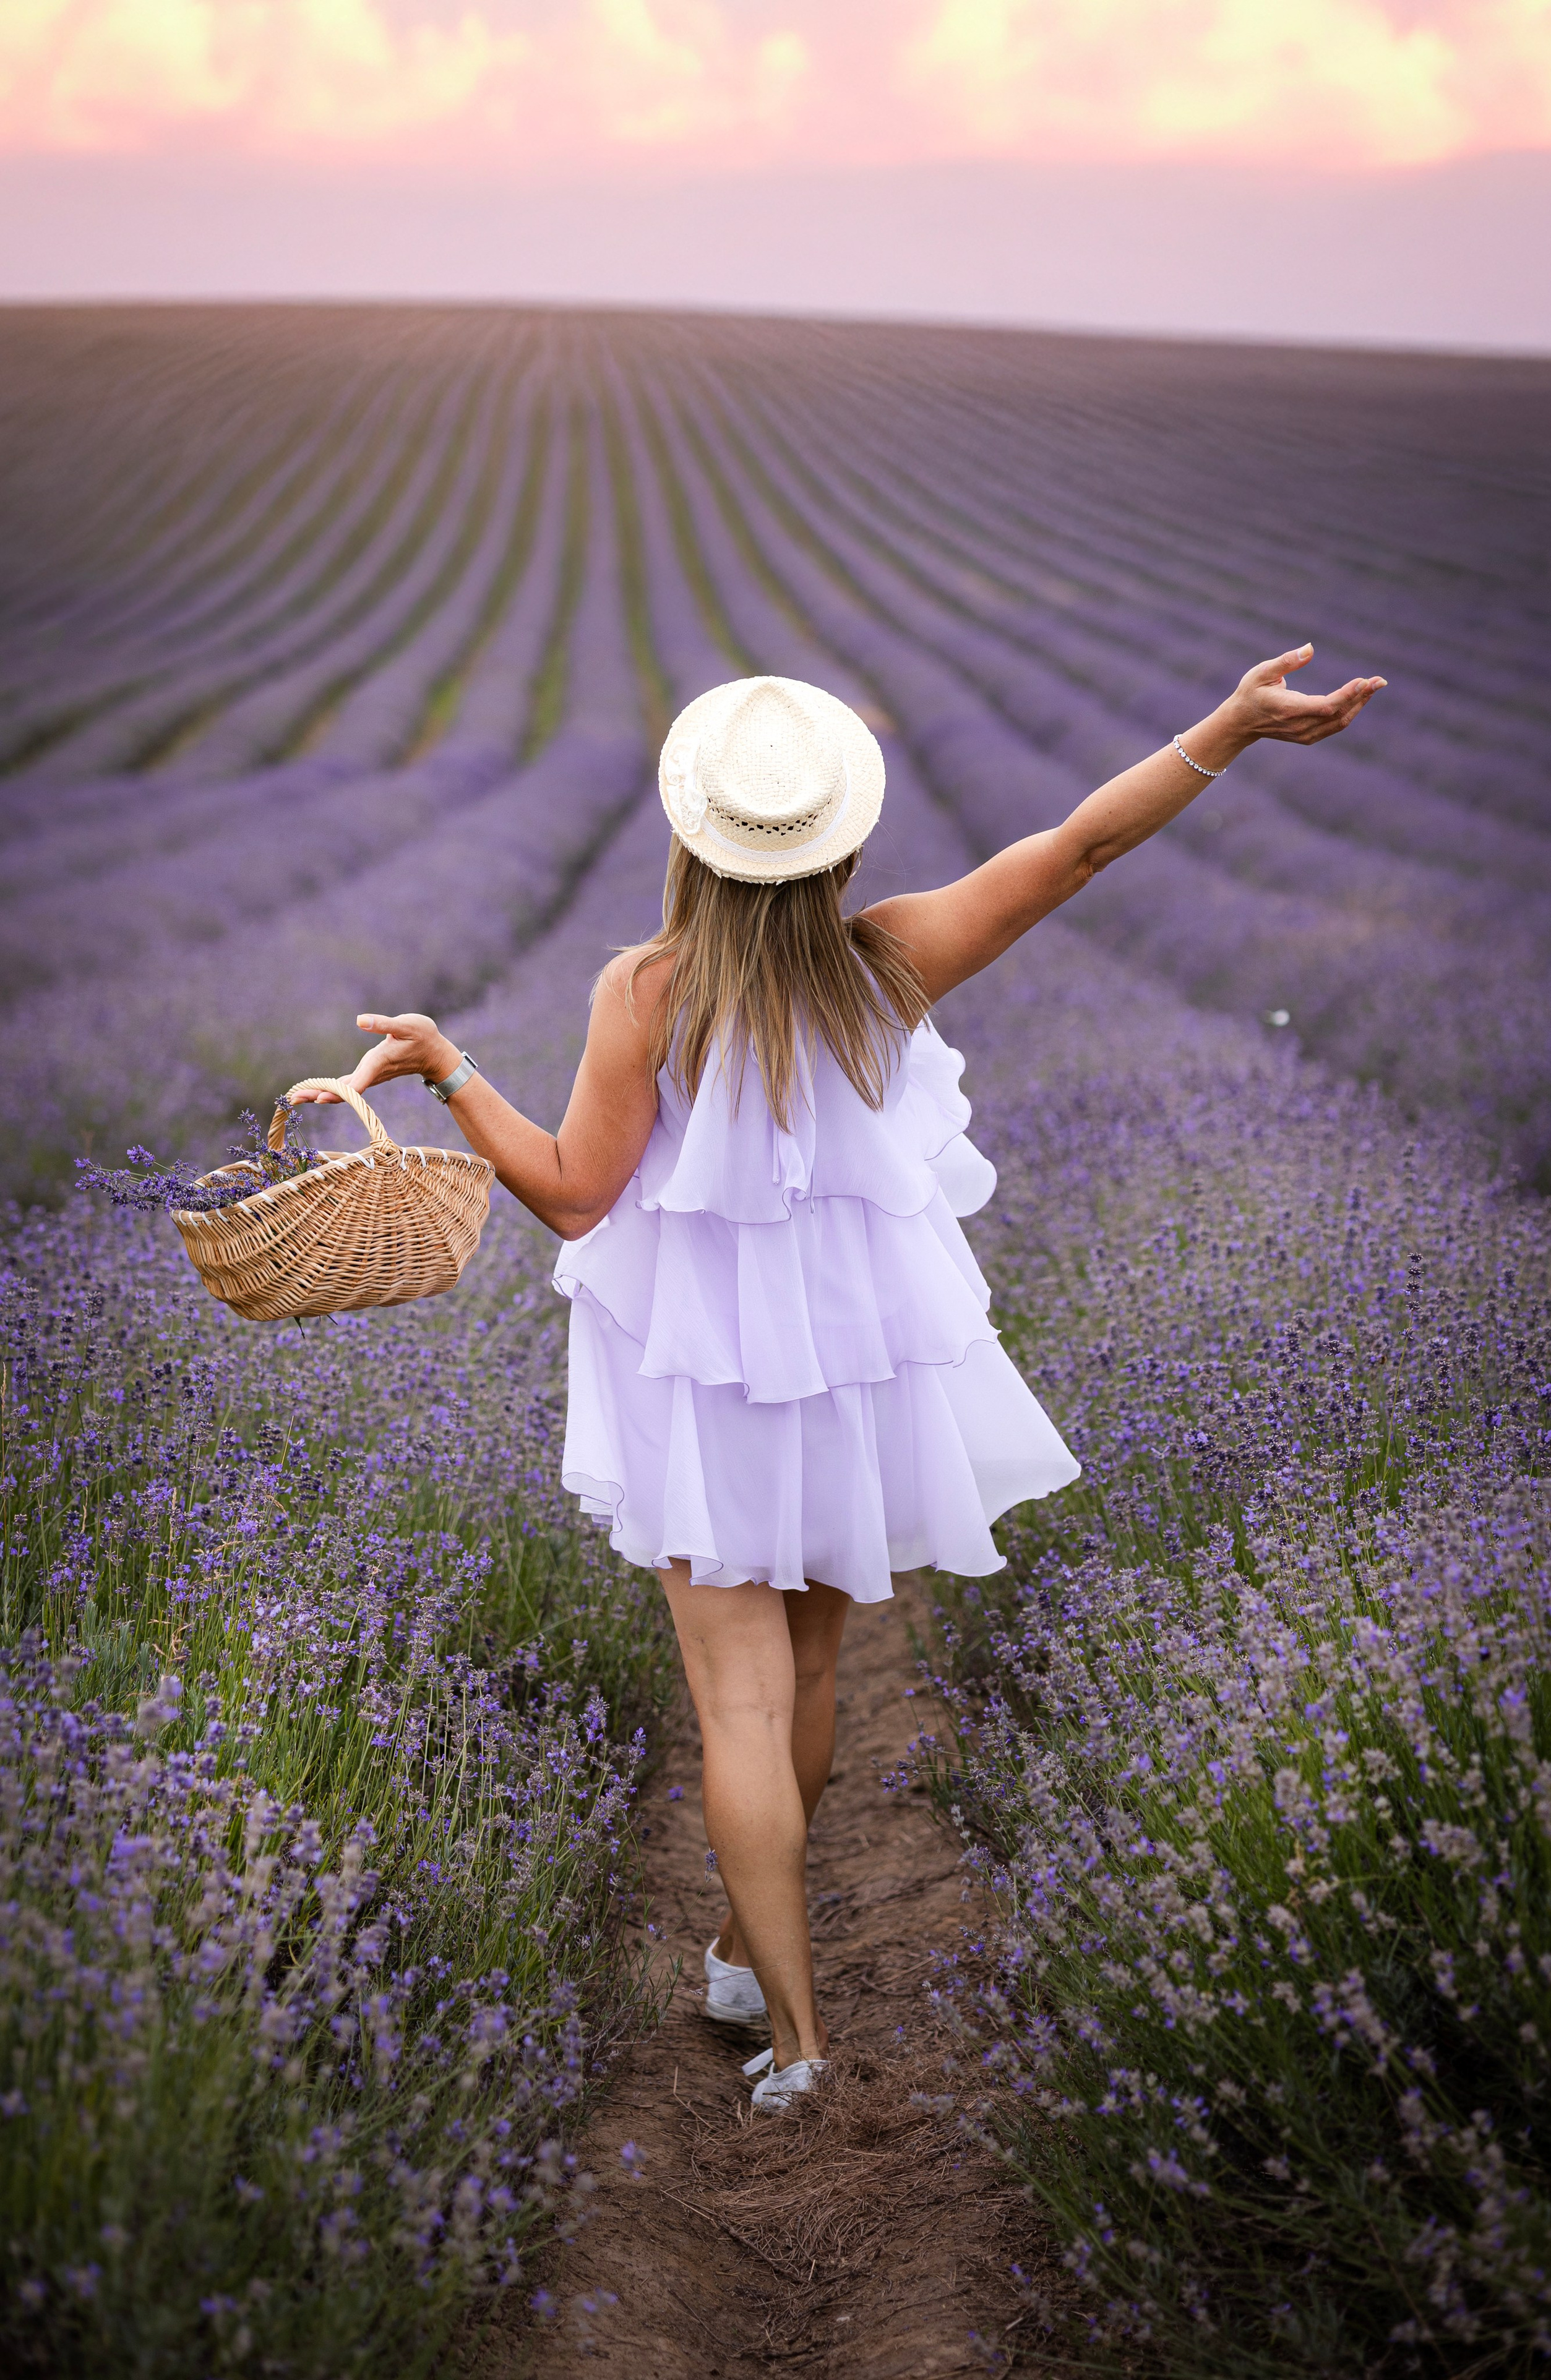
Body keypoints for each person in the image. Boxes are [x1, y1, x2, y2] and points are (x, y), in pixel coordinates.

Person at [294, 648, 1383, 2112]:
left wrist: (447, 1066)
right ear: (841, 846)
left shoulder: (645, 990)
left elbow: (570, 1195)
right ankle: (753, 1978)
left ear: (692, 840)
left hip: (696, 1382)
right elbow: (1079, 846)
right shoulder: (888, 961)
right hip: (846, 1374)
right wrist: (1228, 729)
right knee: (804, 1681)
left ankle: (797, 2033)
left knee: (734, 1707)